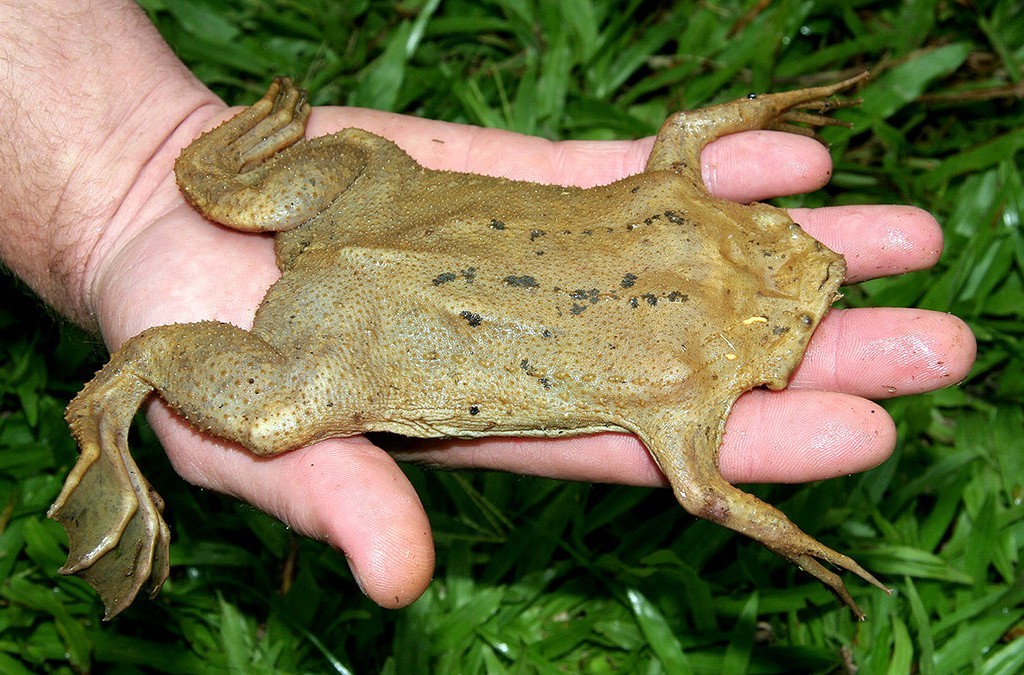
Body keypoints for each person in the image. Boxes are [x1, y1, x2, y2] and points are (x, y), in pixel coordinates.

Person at [0, 0, 975, 609]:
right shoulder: (687, 391)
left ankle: (214, 171)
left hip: (363, 225)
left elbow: (683, 125)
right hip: (338, 334)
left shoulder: (678, 206)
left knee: (290, 224)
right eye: (780, 242)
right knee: (269, 417)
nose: (792, 252)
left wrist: (767, 107)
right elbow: (708, 496)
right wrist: (800, 541)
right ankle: (117, 398)